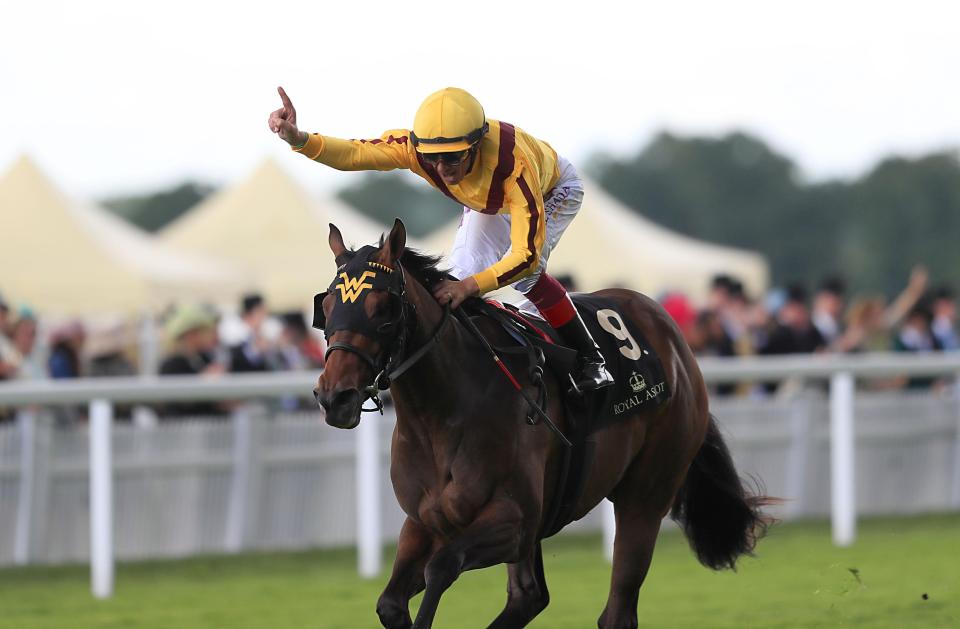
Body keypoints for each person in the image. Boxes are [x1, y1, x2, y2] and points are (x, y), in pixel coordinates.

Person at [269, 86, 613, 392]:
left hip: (552, 190)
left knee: (525, 276)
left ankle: (590, 358)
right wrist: (300, 140)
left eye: (453, 157)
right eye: (433, 158)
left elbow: (525, 256)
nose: (442, 168)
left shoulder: (514, 167)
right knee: (457, 280)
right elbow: (358, 154)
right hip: (489, 201)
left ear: (476, 146)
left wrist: (470, 287)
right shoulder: (418, 149)